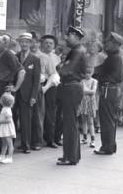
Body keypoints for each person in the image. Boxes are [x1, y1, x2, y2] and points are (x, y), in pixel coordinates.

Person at [0, 34, 25, 153]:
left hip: (3, 87)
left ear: (5, 44)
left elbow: (22, 71)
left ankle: (6, 146)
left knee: (3, 117)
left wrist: (16, 87)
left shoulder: (9, 55)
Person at [56, 26, 87, 166]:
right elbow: (61, 67)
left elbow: (64, 70)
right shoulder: (76, 51)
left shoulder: (77, 52)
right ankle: (70, 155)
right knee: (69, 122)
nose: (66, 38)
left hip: (71, 87)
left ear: (76, 37)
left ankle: (71, 157)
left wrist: (61, 66)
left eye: (69, 36)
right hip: (70, 87)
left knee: (70, 123)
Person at [93, 32, 123, 155]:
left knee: (106, 119)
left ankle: (107, 147)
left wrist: (91, 71)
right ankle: (111, 145)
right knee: (111, 118)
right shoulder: (115, 57)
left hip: (108, 89)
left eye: (109, 43)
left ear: (116, 44)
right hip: (112, 89)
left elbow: (100, 71)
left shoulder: (113, 58)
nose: (106, 45)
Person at [15, 32, 41, 154]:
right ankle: (12, 143)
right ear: (19, 43)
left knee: (26, 120)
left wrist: (34, 96)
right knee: (13, 118)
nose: (24, 44)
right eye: (22, 41)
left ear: (30, 43)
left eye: (27, 42)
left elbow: (36, 80)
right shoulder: (15, 56)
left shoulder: (35, 59)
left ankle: (26, 145)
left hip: (28, 94)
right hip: (15, 93)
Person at [40, 34, 61, 148]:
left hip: (52, 86)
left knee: (51, 112)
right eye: (46, 42)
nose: (48, 45)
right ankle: (39, 137)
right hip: (41, 83)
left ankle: (51, 138)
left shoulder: (56, 58)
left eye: (51, 43)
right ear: (42, 44)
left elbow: (55, 74)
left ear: (54, 45)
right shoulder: (39, 55)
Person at [0, 92, 16, 164]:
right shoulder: (4, 108)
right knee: (4, 143)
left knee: (9, 143)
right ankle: (2, 155)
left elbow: (8, 120)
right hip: (4, 128)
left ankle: (9, 157)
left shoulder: (7, 110)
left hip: (7, 129)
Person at [78, 68, 97, 149]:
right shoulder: (82, 81)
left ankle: (93, 140)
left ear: (92, 73)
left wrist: (85, 91)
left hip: (90, 102)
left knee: (90, 122)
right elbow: (81, 91)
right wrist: (88, 91)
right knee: (83, 121)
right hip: (83, 102)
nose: (87, 74)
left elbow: (93, 92)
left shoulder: (94, 81)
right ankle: (84, 138)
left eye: (89, 73)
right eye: (86, 73)